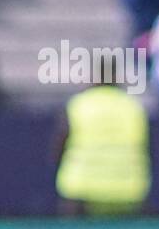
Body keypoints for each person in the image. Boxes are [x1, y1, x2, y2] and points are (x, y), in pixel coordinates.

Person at [54, 75, 151, 216]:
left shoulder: (79, 104)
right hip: (129, 191)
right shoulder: (133, 106)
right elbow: (148, 147)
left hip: (81, 190)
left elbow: (59, 144)